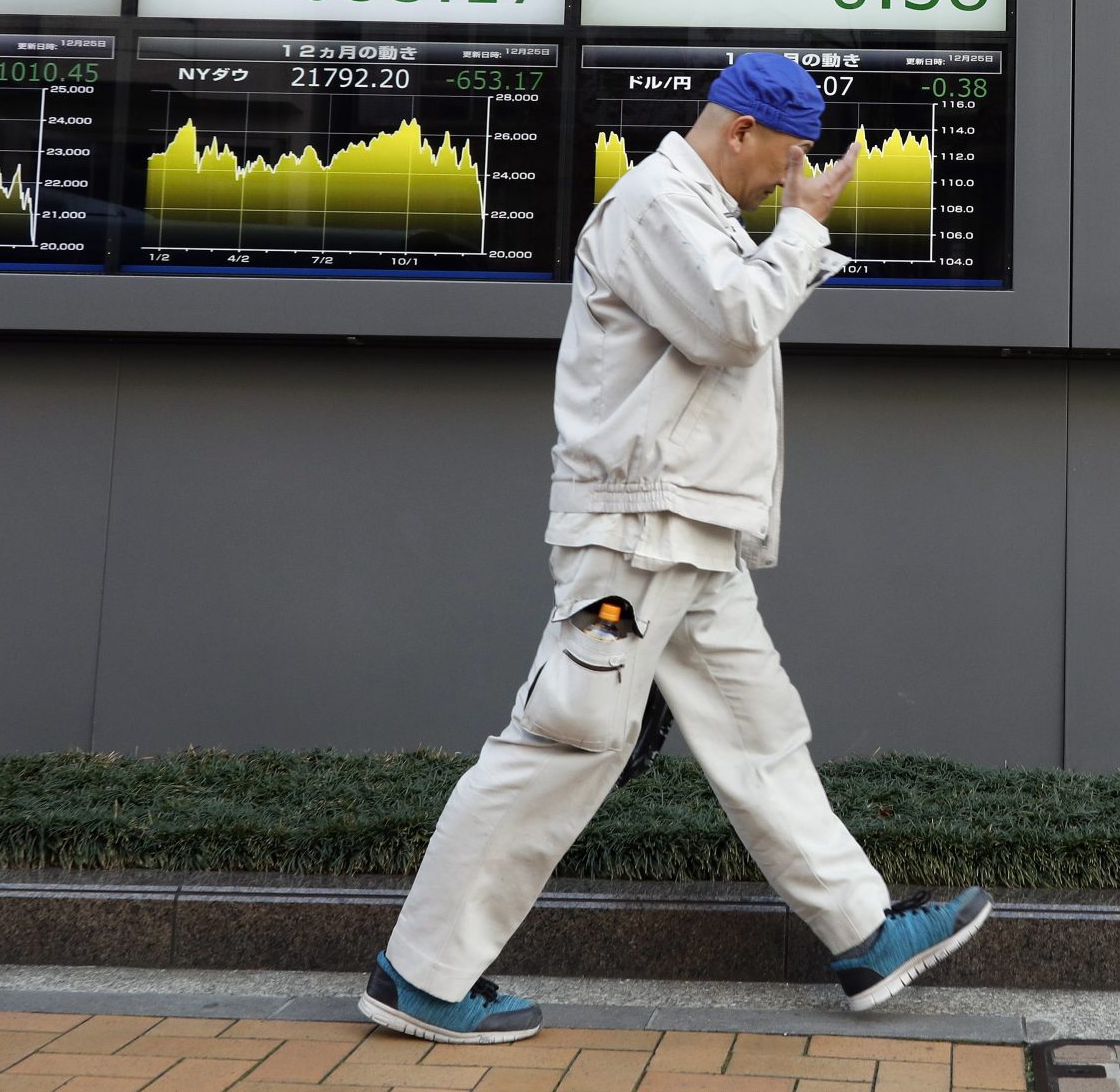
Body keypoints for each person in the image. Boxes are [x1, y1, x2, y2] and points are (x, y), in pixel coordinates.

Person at [360, 52, 993, 1045]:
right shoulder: (656, 205)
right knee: (565, 743)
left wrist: (789, 231)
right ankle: (419, 974)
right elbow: (733, 326)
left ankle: (863, 933)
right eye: (785, 157)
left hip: (687, 533)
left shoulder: (694, 211)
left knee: (759, 735)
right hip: (639, 534)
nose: (789, 176)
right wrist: (805, 226)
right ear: (739, 129)